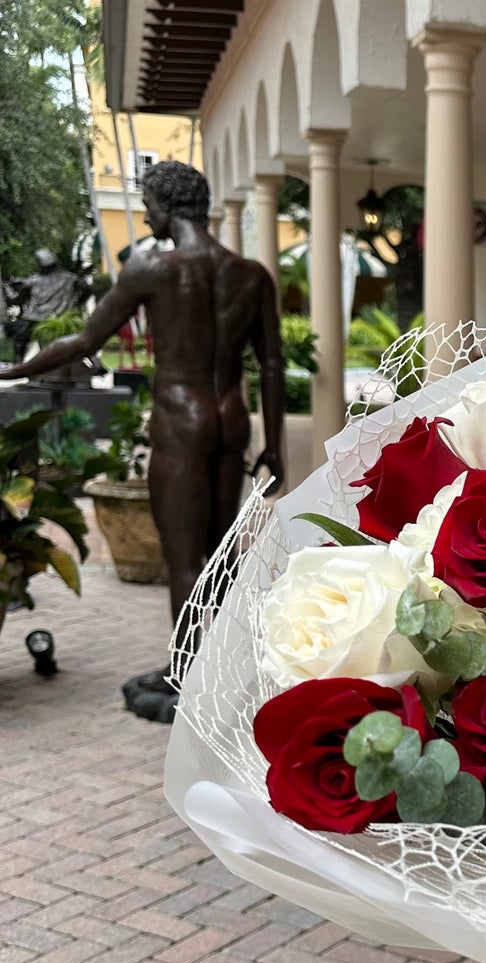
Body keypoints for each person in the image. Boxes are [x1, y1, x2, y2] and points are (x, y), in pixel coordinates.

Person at [0, 161, 286, 715]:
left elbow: (86, 340)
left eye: (149, 203)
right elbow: (271, 366)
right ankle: (220, 662)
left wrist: (12, 372)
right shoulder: (251, 275)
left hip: (182, 418)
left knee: (183, 556)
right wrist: (273, 443)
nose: (146, 213)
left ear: (168, 206)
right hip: (231, 419)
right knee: (221, 551)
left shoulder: (152, 268)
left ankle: (185, 672)